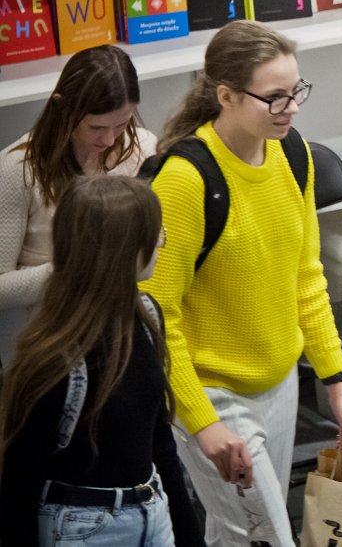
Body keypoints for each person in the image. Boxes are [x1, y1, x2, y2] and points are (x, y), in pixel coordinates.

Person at [141, 20, 342, 546]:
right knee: (269, 538)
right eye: (274, 97)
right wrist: (200, 423)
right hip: (213, 394)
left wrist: (339, 388)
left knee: (236, 533)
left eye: (296, 92)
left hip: (281, 382)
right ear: (226, 95)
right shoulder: (185, 179)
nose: (291, 107)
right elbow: (155, 317)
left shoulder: (294, 155)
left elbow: (308, 280)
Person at [0, 176, 203, 547]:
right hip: (82, 529)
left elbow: (159, 441)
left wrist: (191, 535)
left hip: (153, 511)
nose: (161, 242)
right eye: (154, 234)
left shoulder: (146, 316)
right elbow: (17, 484)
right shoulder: (55, 361)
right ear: (123, 250)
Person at [0, 45, 155, 364]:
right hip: (48, 352)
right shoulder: (17, 169)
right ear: (62, 107)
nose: (110, 140)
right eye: (96, 127)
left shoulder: (143, 148)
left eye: (122, 123)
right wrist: (81, 265)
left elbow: (144, 270)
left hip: (120, 344)